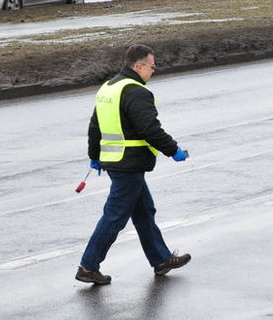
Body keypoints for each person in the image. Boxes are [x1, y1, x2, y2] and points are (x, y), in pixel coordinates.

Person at [76, 44, 191, 285]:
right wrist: (174, 150)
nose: (153, 71)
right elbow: (150, 129)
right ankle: (88, 265)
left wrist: (95, 155)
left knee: (144, 212)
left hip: (115, 162)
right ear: (138, 66)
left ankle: (161, 259)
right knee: (115, 216)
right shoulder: (136, 92)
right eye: (152, 66)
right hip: (129, 164)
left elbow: (94, 126)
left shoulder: (109, 88)